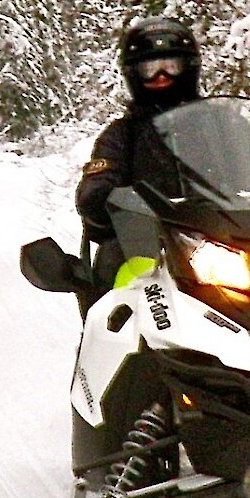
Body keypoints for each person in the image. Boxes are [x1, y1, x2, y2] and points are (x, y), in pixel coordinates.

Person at [74, 16, 201, 305]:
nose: (161, 76)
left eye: (170, 66)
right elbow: (98, 180)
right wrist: (103, 197)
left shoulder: (222, 124)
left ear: (188, 67)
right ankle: (116, 342)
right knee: (115, 265)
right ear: (134, 74)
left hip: (221, 240)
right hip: (148, 247)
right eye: (150, 69)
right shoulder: (122, 136)